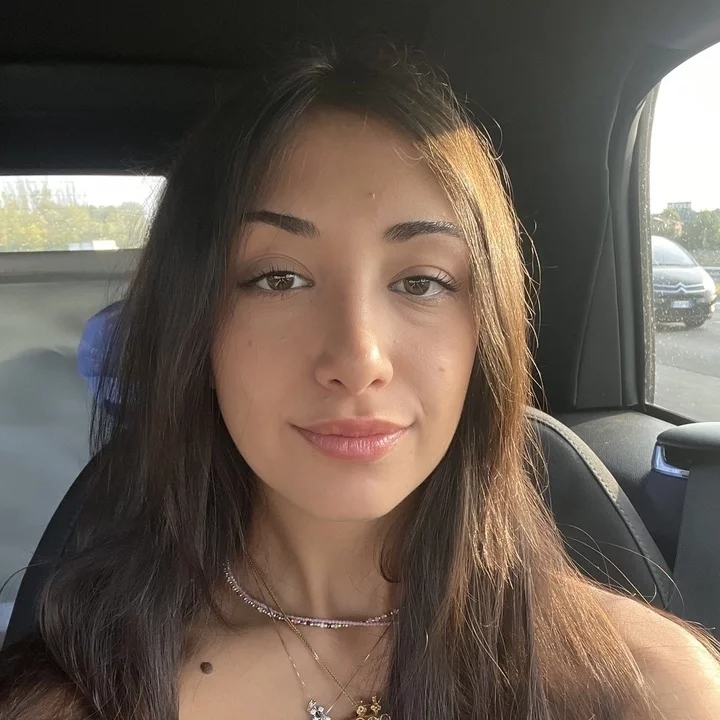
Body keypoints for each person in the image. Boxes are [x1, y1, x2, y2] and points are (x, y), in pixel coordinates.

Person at [1, 42, 720, 720]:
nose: (359, 357)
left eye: (421, 281)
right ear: (195, 330)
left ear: (484, 333)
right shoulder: (74, 700)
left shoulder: (650, 689)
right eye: (278, 279)